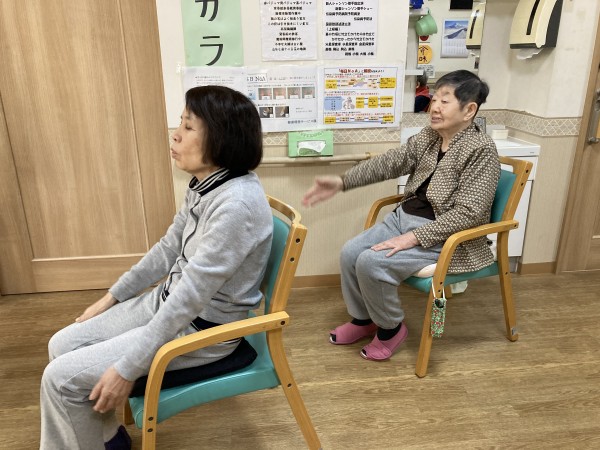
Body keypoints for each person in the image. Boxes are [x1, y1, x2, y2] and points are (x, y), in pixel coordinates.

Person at [40, 85, 273, 449]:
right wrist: (112, 297)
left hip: (201, 331)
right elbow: (168, 249)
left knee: (60, 380)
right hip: (168, 304)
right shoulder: (205, 184)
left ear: (222, 137)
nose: (175, 135)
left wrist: (128, 368)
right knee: (61, 344)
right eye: (180, 122)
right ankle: (107, 439)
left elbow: (191, 297)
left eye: (189, 126)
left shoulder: (236, 206)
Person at [302, 70, 499, 362]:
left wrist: (413, 238)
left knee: (372, 262)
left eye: (445, 101)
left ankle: (390, 329)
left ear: (469, 110)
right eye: (434, 99)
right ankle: (364, 320)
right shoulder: (429, 137)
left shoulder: (481, 150)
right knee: (350, 253)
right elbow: (390, 163)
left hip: (442, 235)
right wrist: (343, 181)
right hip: (403, 218)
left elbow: (470, 213)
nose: (434, 107)